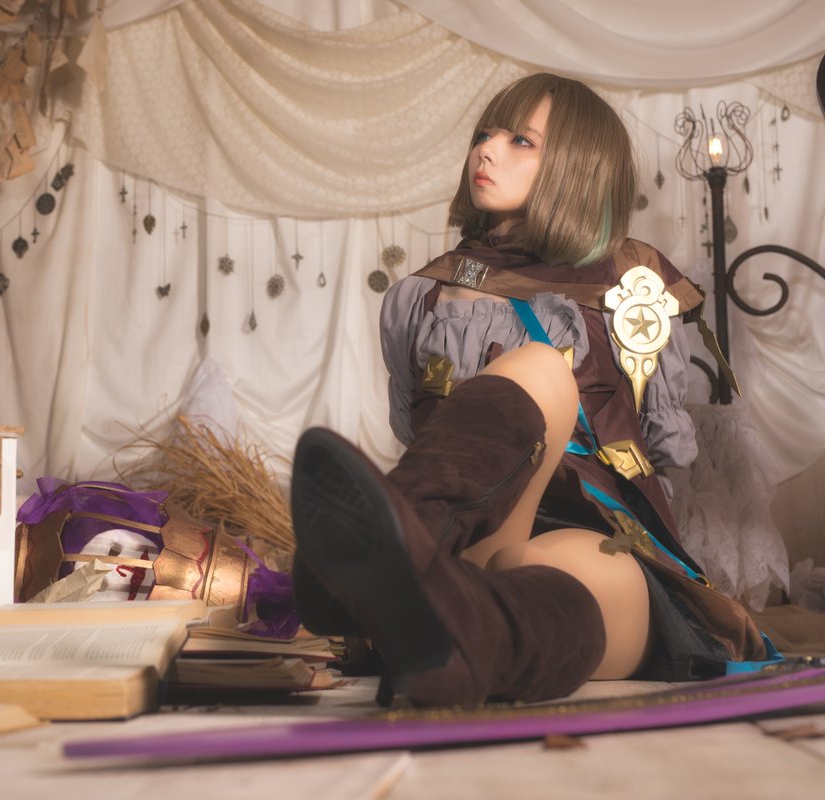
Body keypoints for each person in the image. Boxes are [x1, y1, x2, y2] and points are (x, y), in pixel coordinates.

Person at [291, 73, 772, 709]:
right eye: (483, 135)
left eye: (521, 140)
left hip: (595, 529)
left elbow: (661, 448)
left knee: (535, 572)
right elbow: (422, 437)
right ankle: (398, 567)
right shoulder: (423, 295)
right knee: (541, 369)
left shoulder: (633, 280)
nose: (486, 150)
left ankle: (448, 632)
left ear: (578, 164)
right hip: (466, 532)